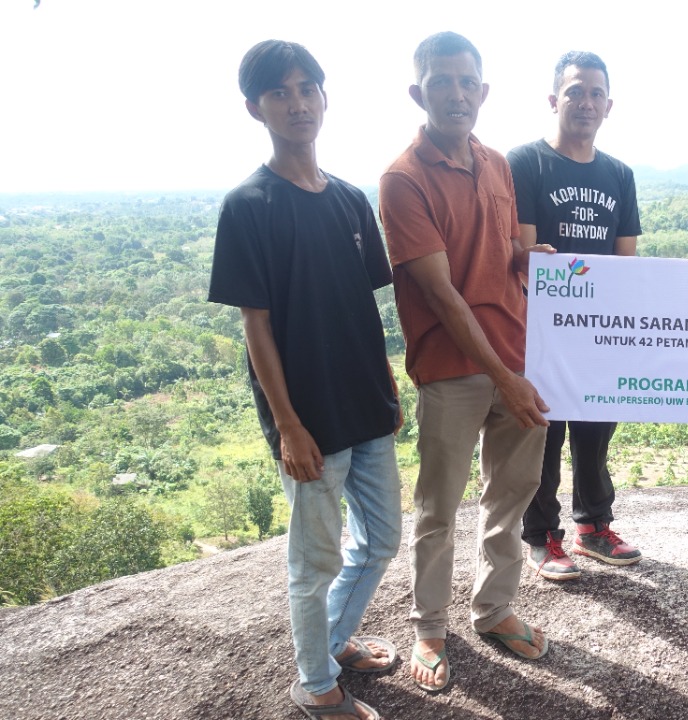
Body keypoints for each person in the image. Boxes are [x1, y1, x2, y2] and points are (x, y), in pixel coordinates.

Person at [208, 40, 401, 720]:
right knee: (314, 561)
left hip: (366, 404)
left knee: (381, 540)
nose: (296, 104)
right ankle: (315, 685)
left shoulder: (350, 201)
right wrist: (287, 424)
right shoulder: (250, 205)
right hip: (309, 419)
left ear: (324, 97)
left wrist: (387, 383)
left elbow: (365, 307)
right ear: (254, 107)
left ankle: (335, 640)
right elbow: (255, 327)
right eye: (279, 92)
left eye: (306, 88)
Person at [379, 31, 552, 694]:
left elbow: (509, 254)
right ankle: (429, 626)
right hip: (454, 369)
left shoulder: (498, 163)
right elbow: (443, 296)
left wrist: (540, 267)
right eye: (440, 81)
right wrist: (505, 376)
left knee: (511, 494)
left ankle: (494, 609)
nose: (455, 93)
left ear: (483, 91)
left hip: (521, 359)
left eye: (466, 82)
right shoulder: (403, 178)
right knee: (439, 506)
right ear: (418, 91)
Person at [507, 51, 643, 581]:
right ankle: (543, 537)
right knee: (544, 436)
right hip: (537, 330)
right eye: (574, 92)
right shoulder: (524, 163)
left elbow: (624, 260)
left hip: (598, 333)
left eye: (594, 94)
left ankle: (594, 528)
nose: (585, 102)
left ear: (608, 105)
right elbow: (521, 253)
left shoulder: (620, 174)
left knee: (595, 434)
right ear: (553, 99)